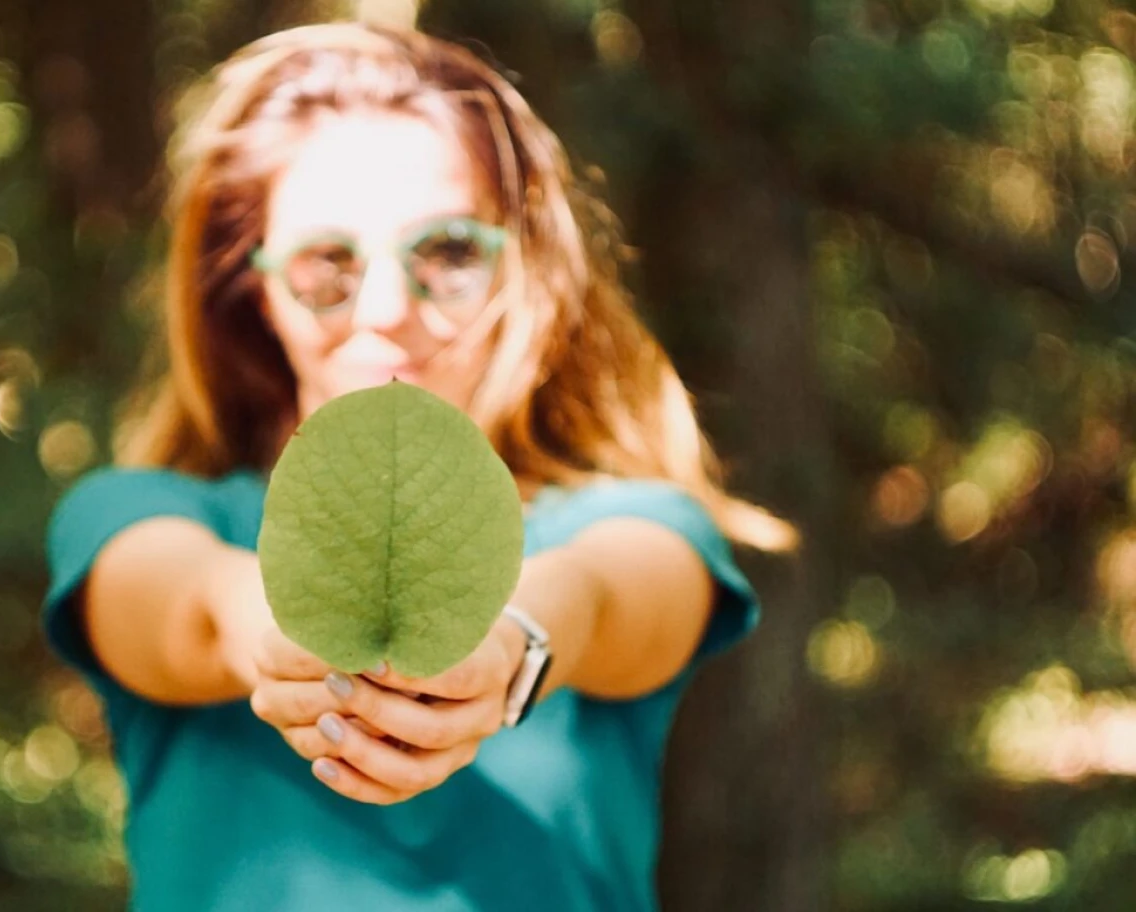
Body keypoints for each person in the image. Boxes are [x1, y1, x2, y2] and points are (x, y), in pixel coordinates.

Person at [42, 20, 795, 912]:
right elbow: (188, 609)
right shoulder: (133, 514)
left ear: (523, 269)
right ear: (255, 289)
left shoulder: (636, 524)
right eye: (329, 261)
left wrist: (510, 642)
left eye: (447, 252)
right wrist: (279, 640)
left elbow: (605, 596)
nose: (389, 307)